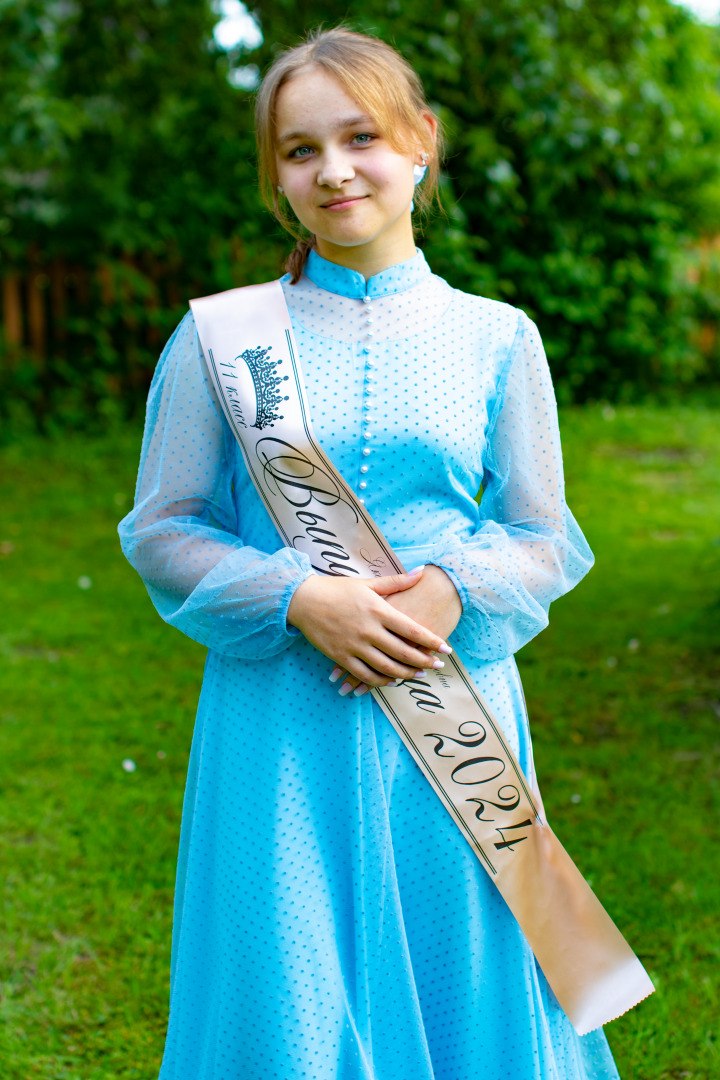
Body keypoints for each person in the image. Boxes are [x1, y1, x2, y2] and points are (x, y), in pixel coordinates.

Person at [119, 26, 621, 1080]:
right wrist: (301, 597)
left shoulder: (498, 336)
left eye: (361, 137)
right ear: (277, 177)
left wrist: (455, 587)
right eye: (300, 150)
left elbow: (543, 534)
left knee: (469, 971)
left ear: (420, 143)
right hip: (279, 723)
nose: (334, 169)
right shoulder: (219, 336)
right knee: (286, 979)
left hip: (456, 709)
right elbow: (162, 528)